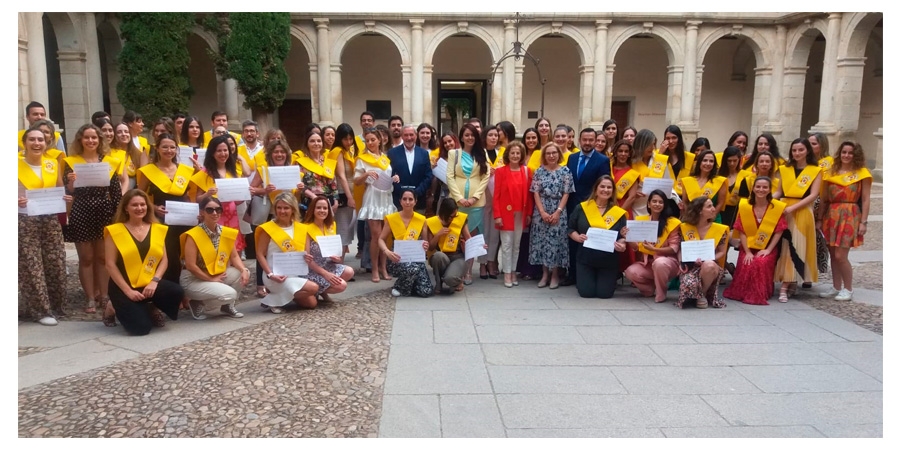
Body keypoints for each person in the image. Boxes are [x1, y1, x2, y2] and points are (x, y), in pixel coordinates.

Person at [64, 124, 126, 314]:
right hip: (81, 210)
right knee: (86, 258)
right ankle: (90, 297)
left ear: (100, 140)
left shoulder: (109, 161)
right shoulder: (71, 161)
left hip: (104, 211)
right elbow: (68, 192)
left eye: (94, 137)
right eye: (87, 137)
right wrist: (71, 181)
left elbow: (115, 192)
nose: (91, 141)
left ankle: (105, 295)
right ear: (80, 140)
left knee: (102, 257)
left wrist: (118, 216)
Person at [104, 189, 184, 335]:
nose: (140, 208)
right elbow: (110, 264)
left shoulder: (157, 228)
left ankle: (150, 306)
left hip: (148, 282)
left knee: (176, 291)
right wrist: (128, 291)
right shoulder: (115, 231)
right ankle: (112, 307)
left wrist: (154, 281)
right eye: (134, 205)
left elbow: (164, 260)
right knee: (141, 329)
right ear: (126, 208)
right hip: (124, 285)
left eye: (143, 204)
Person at [18, 127, 70, 325]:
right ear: (25, 143)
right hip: (25, 219)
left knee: (55, 259)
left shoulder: (51, 164)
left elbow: (58, 187)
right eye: (32, 139)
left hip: (49, 217)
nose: (37, 143)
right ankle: (40, 310)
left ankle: (57, 305)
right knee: (32, 264)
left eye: (40, 139)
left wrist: (64, 197)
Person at [136, 133, 196, 285]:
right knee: (168, 256)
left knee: (187, 255)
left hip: (184, 218)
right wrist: (154, 208)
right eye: (165, 147)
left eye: (172, 147)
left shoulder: (185, 170)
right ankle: (171, 291)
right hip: (161, 219)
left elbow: (190, 195)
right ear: (157, 149)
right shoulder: (149, 171)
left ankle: (187, 292)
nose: (169, 150)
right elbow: (138, 196)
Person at [180, 196, 250, 320]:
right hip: (194, 279)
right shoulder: (193, 235)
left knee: (243, 272)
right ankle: (197, 302)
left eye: (218, 210)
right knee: (230, 294)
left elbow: (234, 256)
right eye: (209, 210)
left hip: (215, 272)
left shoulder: (225, 232)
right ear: (201, 212)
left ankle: (226, 306)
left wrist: (243, 270)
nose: (214, 213)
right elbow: (191, 266)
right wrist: (210, 279)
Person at [818, 141, 872, 302]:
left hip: (850, 214)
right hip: (831, 214)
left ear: (856, 155)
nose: (846, 155)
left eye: (850, 153)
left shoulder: (862, 173)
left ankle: (848, 289)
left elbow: (866, 199)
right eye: (844, 152)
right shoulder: (831, 173)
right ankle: (836, 287)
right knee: (833, 255)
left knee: (841, 255)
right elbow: (824, 198)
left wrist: (864, 222)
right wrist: (820, 218)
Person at [723, 177, 788, 305]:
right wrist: (747, 251)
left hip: (767, 247)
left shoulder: (776, 208)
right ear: (753, 188)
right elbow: (741, 231)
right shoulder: (746, 206)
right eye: (758, 187)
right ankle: (743, 292)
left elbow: (779, 231)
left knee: (760, 262)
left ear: (770, 190)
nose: (761, 190)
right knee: (749, 261)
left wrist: (768, 250)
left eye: (765, 187)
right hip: (748, 246)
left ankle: (761, 293)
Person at [774, 138, 822, 302]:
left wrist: (793, 208)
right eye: (794, 150)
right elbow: (779, 192)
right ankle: (790, 281)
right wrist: (764, 200)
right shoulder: (785, 170)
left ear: (807, 151)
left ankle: (786, 285)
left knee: (797, 247)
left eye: (800, 150)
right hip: (785, 209)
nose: (797, 153)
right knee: (785, 246)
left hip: (802, 211)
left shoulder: (815, 170)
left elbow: (813, 195)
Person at [254, 192, 320, 313]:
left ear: (293, 209)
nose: (282, 211)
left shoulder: (301, 228)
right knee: (313, 288)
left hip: (294, 274)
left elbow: (306, 253)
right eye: (279, 207)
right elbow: (259, 254)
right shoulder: (267, 229)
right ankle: (274, 298)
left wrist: (307, 258)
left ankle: (274, 299)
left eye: (286, 208)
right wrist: (270, 274)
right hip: (274, 275)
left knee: (312, 303)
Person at [562, 128, 611, 286]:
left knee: (588, 240)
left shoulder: (602, 160)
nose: (588, 143)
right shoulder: (572, 158)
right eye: (585, 140)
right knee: (572, 240)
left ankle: (588, 275)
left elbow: (604, 185)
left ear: (596, 141)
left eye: (591, 140)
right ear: (579, 140)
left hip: (592, 206)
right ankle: (572, 275)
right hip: (572, 205)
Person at [567, 176, 628, 298]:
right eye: (602, 186)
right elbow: (570, 229)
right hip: (585, 258)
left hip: (608, 261)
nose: (605, 190)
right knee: (586, 293)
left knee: (604, 294)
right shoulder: (582, 208)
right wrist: (577, 237)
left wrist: (622, 244)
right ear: (596, 189)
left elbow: (622, 236)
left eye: (609, 187)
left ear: (613, 191)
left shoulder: (618, 213)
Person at [447, 123, 491, 284]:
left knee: (471, 237)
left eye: (472, 135)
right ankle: (454, 270)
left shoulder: (482, 153)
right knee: (457, 236)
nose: (470, 138)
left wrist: (474, 197)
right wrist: (459, 198)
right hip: (457, 201)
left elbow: (485, 177)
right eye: (466, 135)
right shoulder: (454, 153)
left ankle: (468, 272)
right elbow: (450, 176)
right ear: (462, 137)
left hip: (476, 202)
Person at [190, 135, 249, 252]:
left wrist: (245, 193)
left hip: (231, 215)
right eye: (219, 151)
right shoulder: (204, 173)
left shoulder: (234, 172)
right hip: (213, 216)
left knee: (232, 252)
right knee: (214, 250)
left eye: (225, 150)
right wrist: (207, 194)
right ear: (212, 153)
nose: (223, 154)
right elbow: (197, 199)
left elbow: (237, 202)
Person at [355, 127, 399, 282]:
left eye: (373, 139)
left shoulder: (385, 158)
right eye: (367, 140)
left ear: (380, 140)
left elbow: (387, 175)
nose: (370, 143)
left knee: (385, 236)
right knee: (375, 236)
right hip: (373, 198)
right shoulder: (362, 158)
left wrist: (394, 178)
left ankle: (383, 267)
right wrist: (366, 174)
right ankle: (374, 269)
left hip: (386, 197)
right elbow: (357, 181)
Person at [529, 142, 575, 289]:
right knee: (542, 242)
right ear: (544, 155)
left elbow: (566, 193)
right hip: (541, 209)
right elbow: (535, 192)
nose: (551, 156)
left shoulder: (565, 171)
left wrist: (558, 212)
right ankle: (544, 274)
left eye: (554, 153)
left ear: (559, 154)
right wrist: (542, 212)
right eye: (548, 153)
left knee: (556, 242)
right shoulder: (539, 171)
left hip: (558, 210)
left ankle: (555, 274)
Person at [624, 189, 681, 302]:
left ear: (665, 205)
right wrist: (627, 236)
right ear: (648, 204)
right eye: (654, 201)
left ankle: (661, 293)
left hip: (668, 263)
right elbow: (635, 247)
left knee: (659, 263)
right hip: (649, 263)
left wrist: (654, 249)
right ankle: (649, 289)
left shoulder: (673, 223)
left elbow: (674, 249)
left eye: (660, 202)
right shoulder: (642, 221)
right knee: (630, 271)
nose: (657, 204)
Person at [379, 189, 434, 297]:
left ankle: (409, 283)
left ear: (415, 201)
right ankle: (399, 286)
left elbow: (425, 242)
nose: (407, 202)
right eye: (404, 199)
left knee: (426, 291)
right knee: (412, 269)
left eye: (410, 199)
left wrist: (425, 245)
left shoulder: (422, 220)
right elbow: (380, 239)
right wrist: (387, 252)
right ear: (400, 201)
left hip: (415, 259)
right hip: (397, 259)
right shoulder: (392, 219)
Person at [492, 141, 533, 288]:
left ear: (521, 155)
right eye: (512, 153)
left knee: (516, 245)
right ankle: (507, 273)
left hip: (520, 214)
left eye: (518, 153)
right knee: (507, 245)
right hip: (505, 213)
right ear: (508, 155)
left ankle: (514, 271)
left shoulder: (527, 171)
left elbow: (529, 196)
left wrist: (528, 213)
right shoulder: (501, 171)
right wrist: (497, 215)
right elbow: (496, 195)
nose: (515, 155)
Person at [677, 196, 729, 309]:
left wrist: (708, 259)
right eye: (709, 206)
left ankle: (702, 295)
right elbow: (681, 248)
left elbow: (722, 252)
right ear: (700, 211)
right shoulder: (684, 227)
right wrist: (681, 262)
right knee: (688, 283)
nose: (714, 209)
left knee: (708, 265)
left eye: (713, 206)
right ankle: (694, 294)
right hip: (691, 265)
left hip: (711, 265)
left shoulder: (720, 229)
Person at [303, 196, 355, 302]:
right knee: (341, 285)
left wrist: (336, 258)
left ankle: (321, 291)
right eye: (318, 208)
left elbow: (334, 254)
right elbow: (306, 259)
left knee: (349, 271)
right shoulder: (305, 228)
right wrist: (325, 274)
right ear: (313, 209)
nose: (322, 211)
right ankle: (317, 290)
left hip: (327, 265)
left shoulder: (331, 226)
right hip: (311, 269)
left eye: (325, 208)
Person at [426, 198, 473, 293]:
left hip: (458, 257)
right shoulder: (432, 222)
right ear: (444, 214)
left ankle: (456, 279)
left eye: (455, 215)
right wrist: (438, 235)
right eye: (451, 216)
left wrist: (479, 246)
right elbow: (430, 247)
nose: (454, 218)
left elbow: (469, 239)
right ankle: (438, 283)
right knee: (438, 256)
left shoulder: (460, 219)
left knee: (450, 279)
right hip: (442, 257)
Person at [387, 124, 433, 212]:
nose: (409, 138)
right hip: (399, 201)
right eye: (406, 135)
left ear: (416, 136)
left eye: (411, 135)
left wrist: (416, 192)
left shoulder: (424, 153)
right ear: (402, 136)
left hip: (419, 200)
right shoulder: (392, 153)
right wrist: (403, 193)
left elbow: (428, 176)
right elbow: (390, 174)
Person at [330, 123, 359, 259]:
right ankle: (339, 267)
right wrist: (349, 197)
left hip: (351, 193)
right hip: (343, 195)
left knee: (347, 230)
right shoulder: (338, 151)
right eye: (345, 139)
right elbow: (341, 176)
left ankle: (341, 265)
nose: (349, 142)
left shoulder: (349, 151)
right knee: (342, 230)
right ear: (339, 139)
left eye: (350, 138)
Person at [480, 125, 503, 279]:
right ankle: (482, 263)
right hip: (482, 196)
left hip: (498, 197)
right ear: (485, 137)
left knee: (495, 232)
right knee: (483, 231)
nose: (494, 138)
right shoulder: (479, 154)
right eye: (490, 135)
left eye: (496, 135)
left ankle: (490, 261)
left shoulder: (501, 153)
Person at [296, 130, 339, 211]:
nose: (316, 144)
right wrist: (313, 197)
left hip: (329, 201)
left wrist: (336, 201)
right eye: (312, 141)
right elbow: (300, 185)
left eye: (319, 141)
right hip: (310, 201)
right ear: (307, 144)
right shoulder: (300, 163)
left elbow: (333, 183)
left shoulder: (327, 161)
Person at [679, 150, 727, 218]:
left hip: (712, 220)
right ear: (699, 162)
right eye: (705, 160)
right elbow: (685, 202)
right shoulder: (687, 181)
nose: (708, 163)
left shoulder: (720, 181)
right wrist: (690, 217)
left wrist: (711, 217)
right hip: (691, 219)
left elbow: (720, 204)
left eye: (711, 161)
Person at [427, 131, 457, 216]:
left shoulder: (462, 155)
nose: (448, 144)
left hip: (458, 193)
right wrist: (433, 169)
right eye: (445, 143)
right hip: (444, 193)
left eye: (450, 141)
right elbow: (435, 179)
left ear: (455, 141)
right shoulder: (441, 158)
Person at [659, 125, 694, 196]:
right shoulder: (659, 154)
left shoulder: (688, 157)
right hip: (665, 195)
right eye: (668, 138)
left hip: (683, 195)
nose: (671, 141)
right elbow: (655, 175)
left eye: (674, 138)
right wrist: (660, 154)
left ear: (679, 139)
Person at [109, 122, 144, 190]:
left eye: (126, 131)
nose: (124, 134)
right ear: (114, 135)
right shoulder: (109, 153)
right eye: (119, 132)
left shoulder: (138, 154)